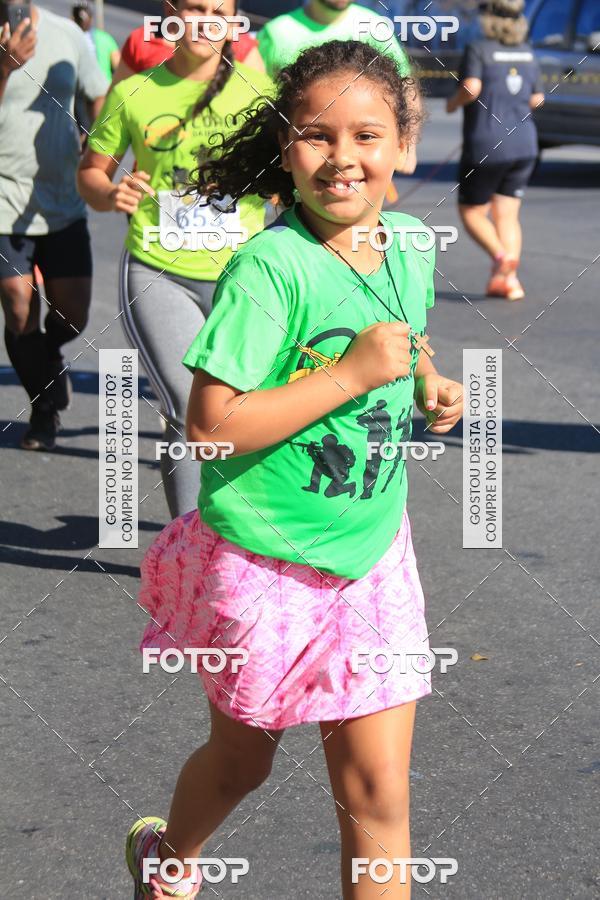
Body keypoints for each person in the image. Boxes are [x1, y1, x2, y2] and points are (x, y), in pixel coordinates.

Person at [125, 39, 463, 900]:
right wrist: (349, 373)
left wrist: (425, 380)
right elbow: (209, 426)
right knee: (243, 761)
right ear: (286, 148)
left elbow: (403, 327)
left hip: (373, 552)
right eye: (317, 136)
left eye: (367, 137)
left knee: (377, 791)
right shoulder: (269, 268)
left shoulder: (414, 242)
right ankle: (169, 854)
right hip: (268, 560)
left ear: (402, 145)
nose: (343, 159)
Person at [78, 0, 272, 518]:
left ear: (233, 22)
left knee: (251, 402)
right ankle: (194, 537)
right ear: (171, 17)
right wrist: (109, 193)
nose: (206, 20)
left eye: (218, 10)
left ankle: (244, 529)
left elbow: (298, 168)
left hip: (246, 274)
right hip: (159, 270)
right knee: (188, 402)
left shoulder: (264, 95)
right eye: (193, 8)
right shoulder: (132, 92)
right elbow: (92, 173)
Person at [0, 1, 107, 450]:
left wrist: (95, 147)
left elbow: (100, 94)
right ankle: (44, 409)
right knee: (19, 306)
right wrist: (4, 69)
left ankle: (47, 359)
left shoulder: (67, 33)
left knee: (73, 315)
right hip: (4, 198)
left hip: (62, 198)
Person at [446, 0, 544, 300]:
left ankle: (501, 257)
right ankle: (508, 281)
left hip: (486, 144)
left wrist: (452, 103)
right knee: (507, 214)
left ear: (488, 18)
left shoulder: (479, 49)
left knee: (471, 210)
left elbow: (472, 88)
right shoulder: (527, 53)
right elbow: (537, 99)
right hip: (525, 142)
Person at [257, 0, 419, 176]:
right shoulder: (276, 32)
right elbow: (257, 96)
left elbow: (405, 86)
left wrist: (409, 146)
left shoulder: (374, 26)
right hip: (291, 167)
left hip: (359, 168)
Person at [111, 0, 264, 85]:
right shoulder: (143, 42)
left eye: (218, 13)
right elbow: (111, 122)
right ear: (171, 10)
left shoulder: (243, 49)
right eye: (196, 9)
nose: (206, 23)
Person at [72, 0, 120, 80]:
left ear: (73, 19)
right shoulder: (105, 38)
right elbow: (118, 66)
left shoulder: (69, 37)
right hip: (104, 88)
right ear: (91, 18)